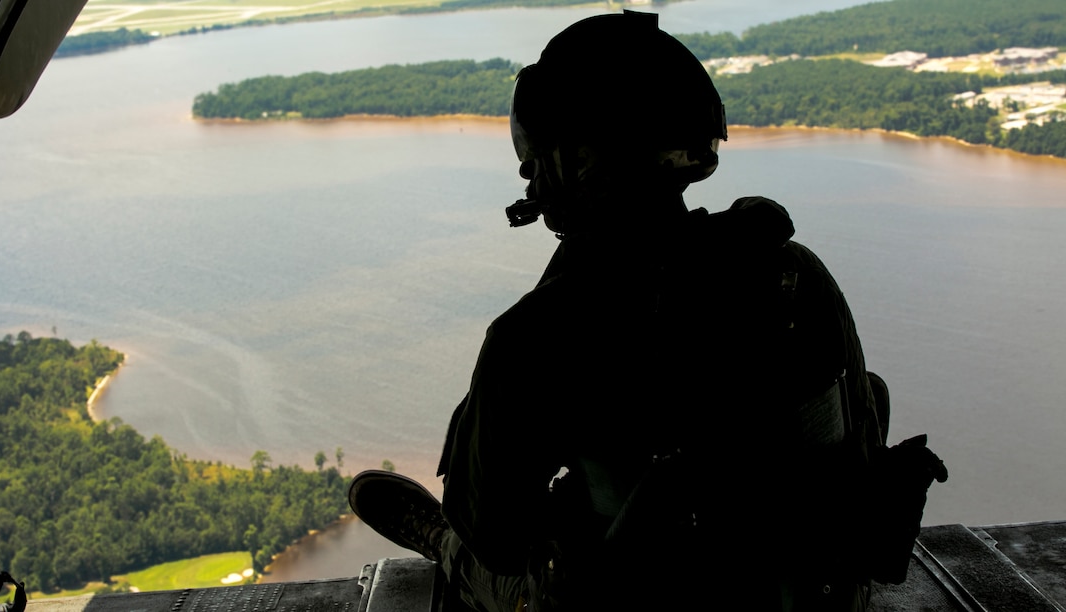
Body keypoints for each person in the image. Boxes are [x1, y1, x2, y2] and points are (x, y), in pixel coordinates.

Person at [349, 11, 943, 611]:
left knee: (487, 558)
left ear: (573, 164)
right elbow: (862, 450)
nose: (531, 182)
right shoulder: (795, 272)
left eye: (536, 166)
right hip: (815, 594)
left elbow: (497, 536)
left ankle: (437, 546)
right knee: (867, 391)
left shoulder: (538, 333)